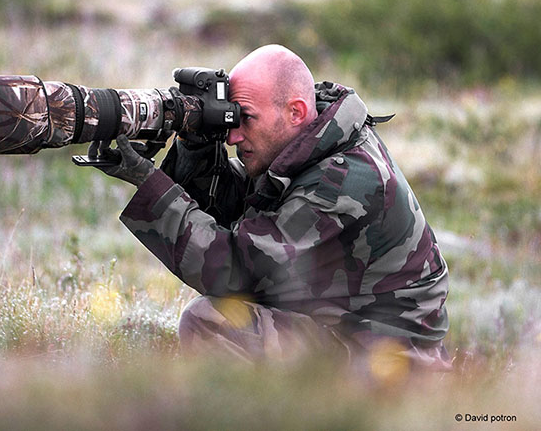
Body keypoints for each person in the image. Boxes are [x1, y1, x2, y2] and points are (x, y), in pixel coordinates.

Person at [93, 44, 450, 368]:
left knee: (212, 321)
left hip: (390, 362)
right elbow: (238, 204)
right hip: (345, 330)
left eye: (245, 118)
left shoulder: (340, 183)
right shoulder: (315, 139)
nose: (233, 136)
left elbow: (233, 271)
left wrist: (148, 182)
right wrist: (195, 145)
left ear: (295, 111)